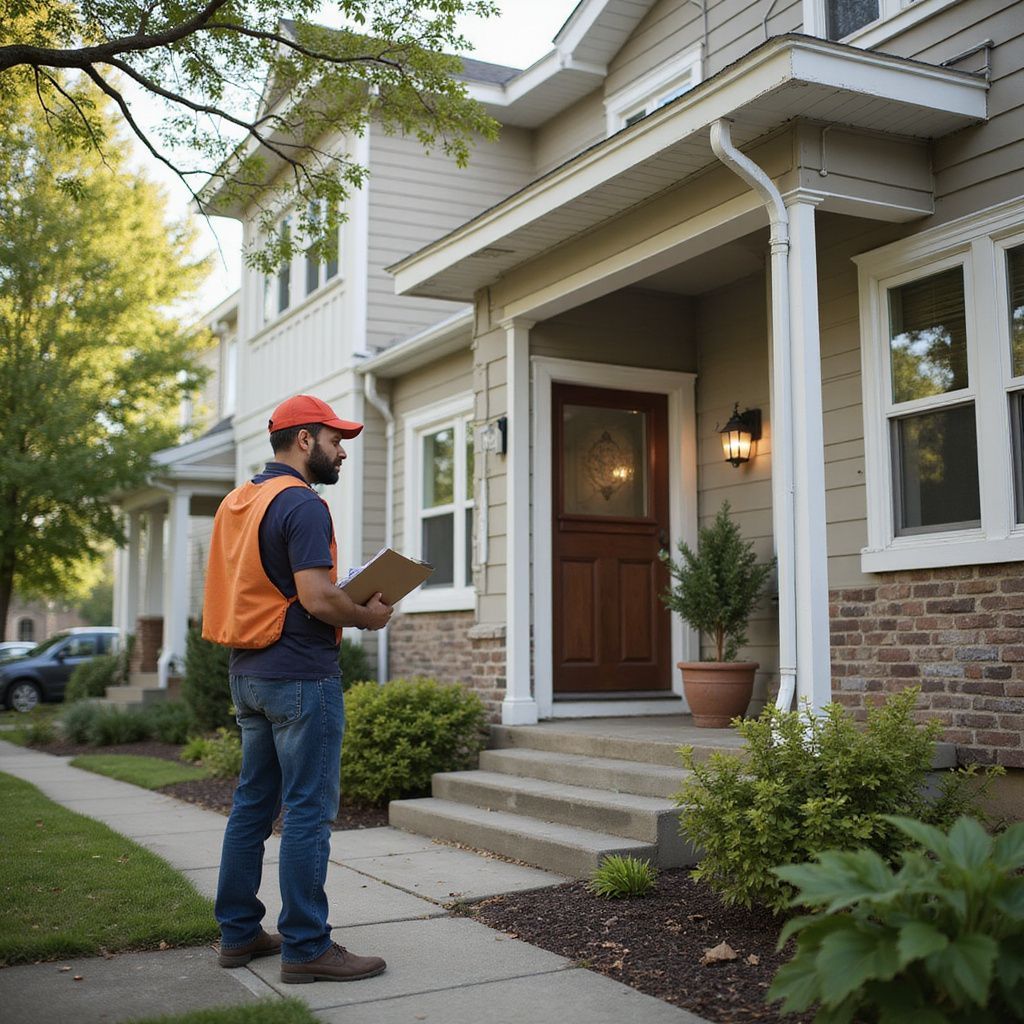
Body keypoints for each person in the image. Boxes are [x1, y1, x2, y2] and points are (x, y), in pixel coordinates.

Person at [203, 393, 393, 984]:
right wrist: (368, 614)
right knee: (309, 810)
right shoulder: (302, 505)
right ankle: (307, 946)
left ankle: (238, 934)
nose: (342, 453)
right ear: (305, 440)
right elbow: (315, 597)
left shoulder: (241, 501)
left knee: (253, 805)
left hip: (249, 674)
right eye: (336, 441)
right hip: (301, 677)